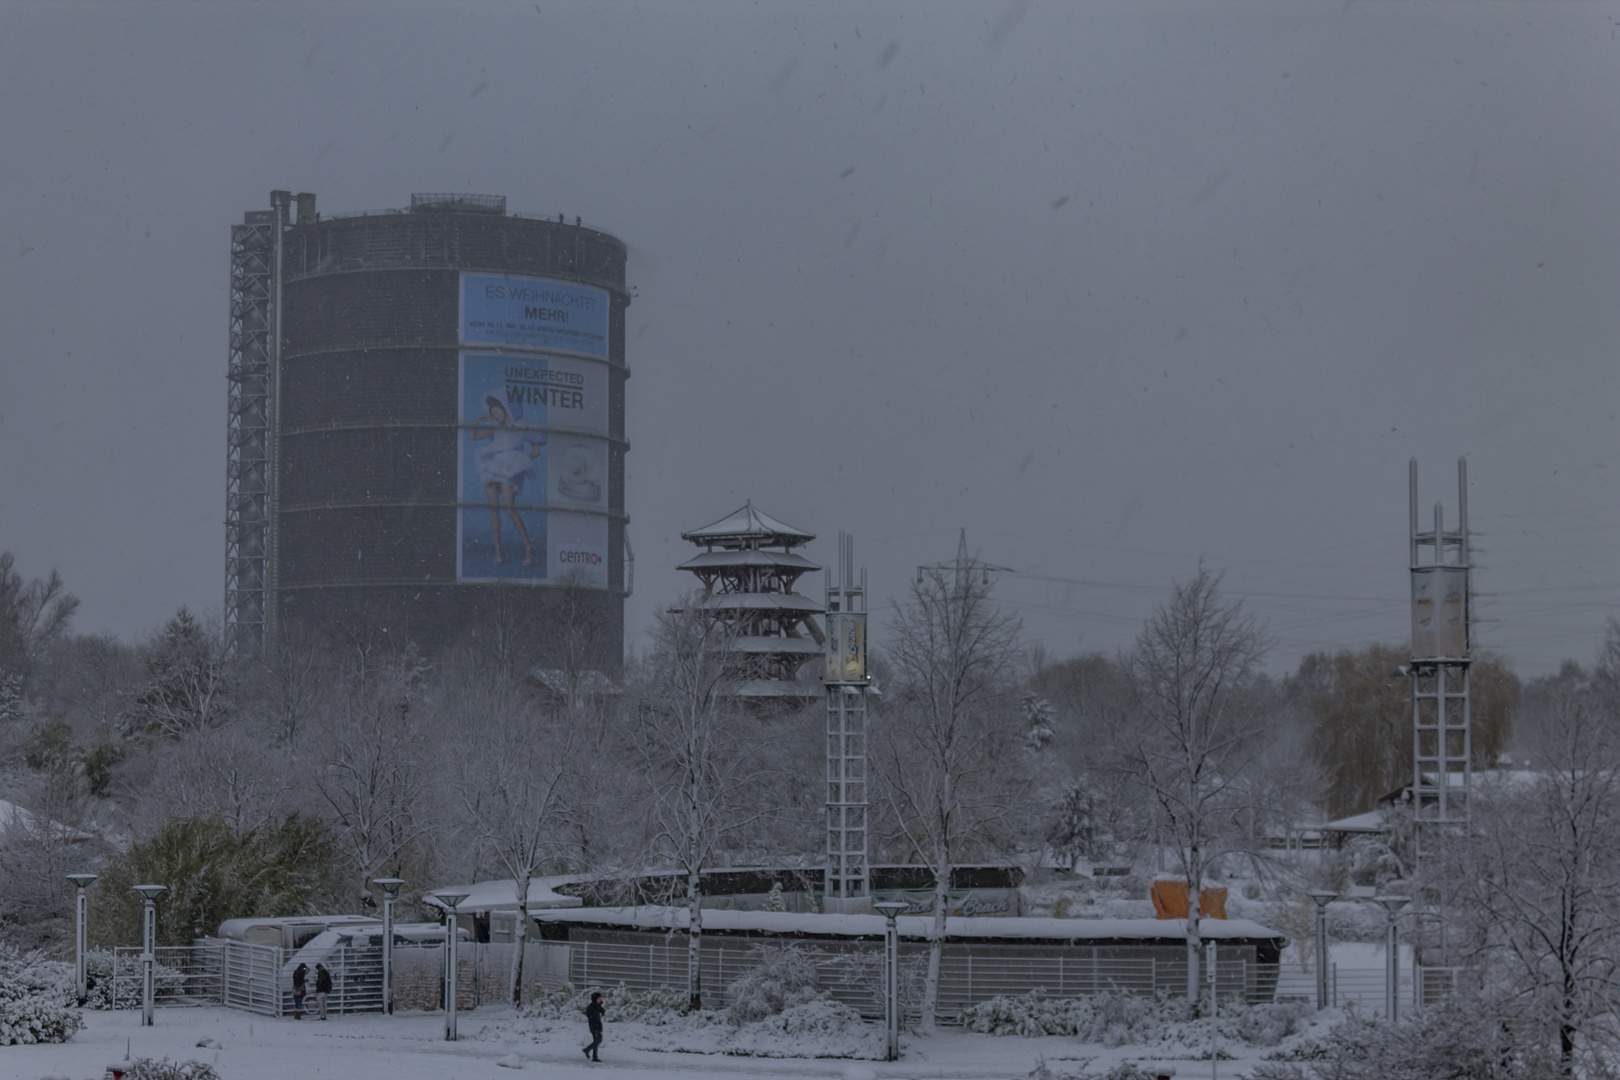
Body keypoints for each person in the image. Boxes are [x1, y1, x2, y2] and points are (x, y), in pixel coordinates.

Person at [467, 395, 545, 567]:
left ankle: (528, 547)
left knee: (509, 509)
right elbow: (472, 437)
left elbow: (537, 450)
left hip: (508, 471)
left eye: (497, 412)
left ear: (505, 409)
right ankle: (498, 549)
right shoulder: (495, 429)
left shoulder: (519, 427)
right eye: (492, 413)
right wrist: (478, 419)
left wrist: (520, 463)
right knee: (493, 510)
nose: (495, 416)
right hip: (492, 468)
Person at [583, 991, 605, 1062]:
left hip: (598, 1025)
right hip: (593, 1026)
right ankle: (587, 1050)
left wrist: (600, 1013)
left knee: (597, 1040)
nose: (600, 1000)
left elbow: (602, 1011)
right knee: (597, 1040)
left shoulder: (598, 1006)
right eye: (599, 999)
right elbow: (590, 1016)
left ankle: (594, 1056)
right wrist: (597, 1014)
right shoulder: (591, 1007)